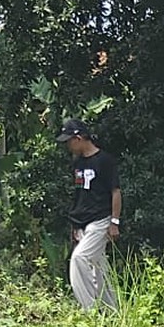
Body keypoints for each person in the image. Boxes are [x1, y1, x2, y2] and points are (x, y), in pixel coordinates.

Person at [59, 120, 121, 310]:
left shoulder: (105, 160)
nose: (68, 146)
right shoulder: (77, 163)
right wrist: (75, 225)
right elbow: (79, 195)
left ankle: (89, 309)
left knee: (79, 259)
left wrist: (114, 221)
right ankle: (112, 310)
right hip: (82, 222)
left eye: (70, 141)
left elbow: (116, 192)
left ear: (79, 138)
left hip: (100, 220)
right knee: (98, 265)